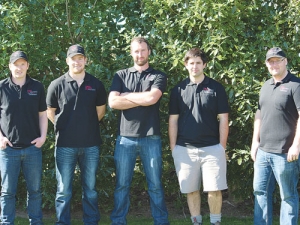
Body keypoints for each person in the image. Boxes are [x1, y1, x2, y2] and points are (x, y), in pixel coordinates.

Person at [108, 37, 170, 225]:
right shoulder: (120, 75)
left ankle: (161, 221)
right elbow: (112, 102)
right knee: (121, 186)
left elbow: (152, 98)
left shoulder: (159, 75)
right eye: (136, 51)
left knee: (156, 186)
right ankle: (118, 221)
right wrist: (141, 97)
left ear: (149, 52)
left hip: (150, 137)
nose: (140, 54)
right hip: (125, 138)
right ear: (131, 52)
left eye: (143, 50)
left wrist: (126, 96)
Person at [46, 44, 107, 225]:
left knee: (90, 188)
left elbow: (101, 111)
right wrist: (64, 126)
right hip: (65, 144)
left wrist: (85, 126)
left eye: (80, 58)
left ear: (85, 60)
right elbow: (50, 111)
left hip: (90, 144)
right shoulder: (56, 84)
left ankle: (91, 221)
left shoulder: (96, 84)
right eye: (73, 58)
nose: (77, 62)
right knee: (64, 190)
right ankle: (62, 222)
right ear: (67, 61)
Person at [168, 48, 229, 225]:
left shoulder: (216, 88)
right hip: (185, 149)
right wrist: (174, 148)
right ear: (186, 65)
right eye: (191, 63)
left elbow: (224, 119)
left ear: (205, 65)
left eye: (198, 63)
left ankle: (215, 222)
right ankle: (197, 222)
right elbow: (173, 121)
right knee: (191, 190)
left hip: (212, 148)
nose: (195, 66)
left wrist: (221, 147)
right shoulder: (178, 90)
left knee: (214, 190)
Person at [250, 47, 300, 225]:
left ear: (285, 61)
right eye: (270, 61)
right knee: (260, 193)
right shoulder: (266, 85)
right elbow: (259, 113)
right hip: (263, 152)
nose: (274, 64)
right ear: (266, 64)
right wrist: (255, 141)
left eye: (278, 60)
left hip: (285, 153)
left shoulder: (296, 85)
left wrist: (296, 145)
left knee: (288, 196)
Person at [0, 50, 48, 224]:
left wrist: (43, 137)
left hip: (32, 149)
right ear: (9, 66)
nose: (19, 68)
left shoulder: (37, 87)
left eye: (22, 64)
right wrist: (0, 138)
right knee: (7, 192)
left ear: (27, 66)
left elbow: (43, 114)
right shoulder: (1, 87)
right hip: (8, 150)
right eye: (15, 64)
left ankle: (35, 222)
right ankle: (6, 222)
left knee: (34, 190)